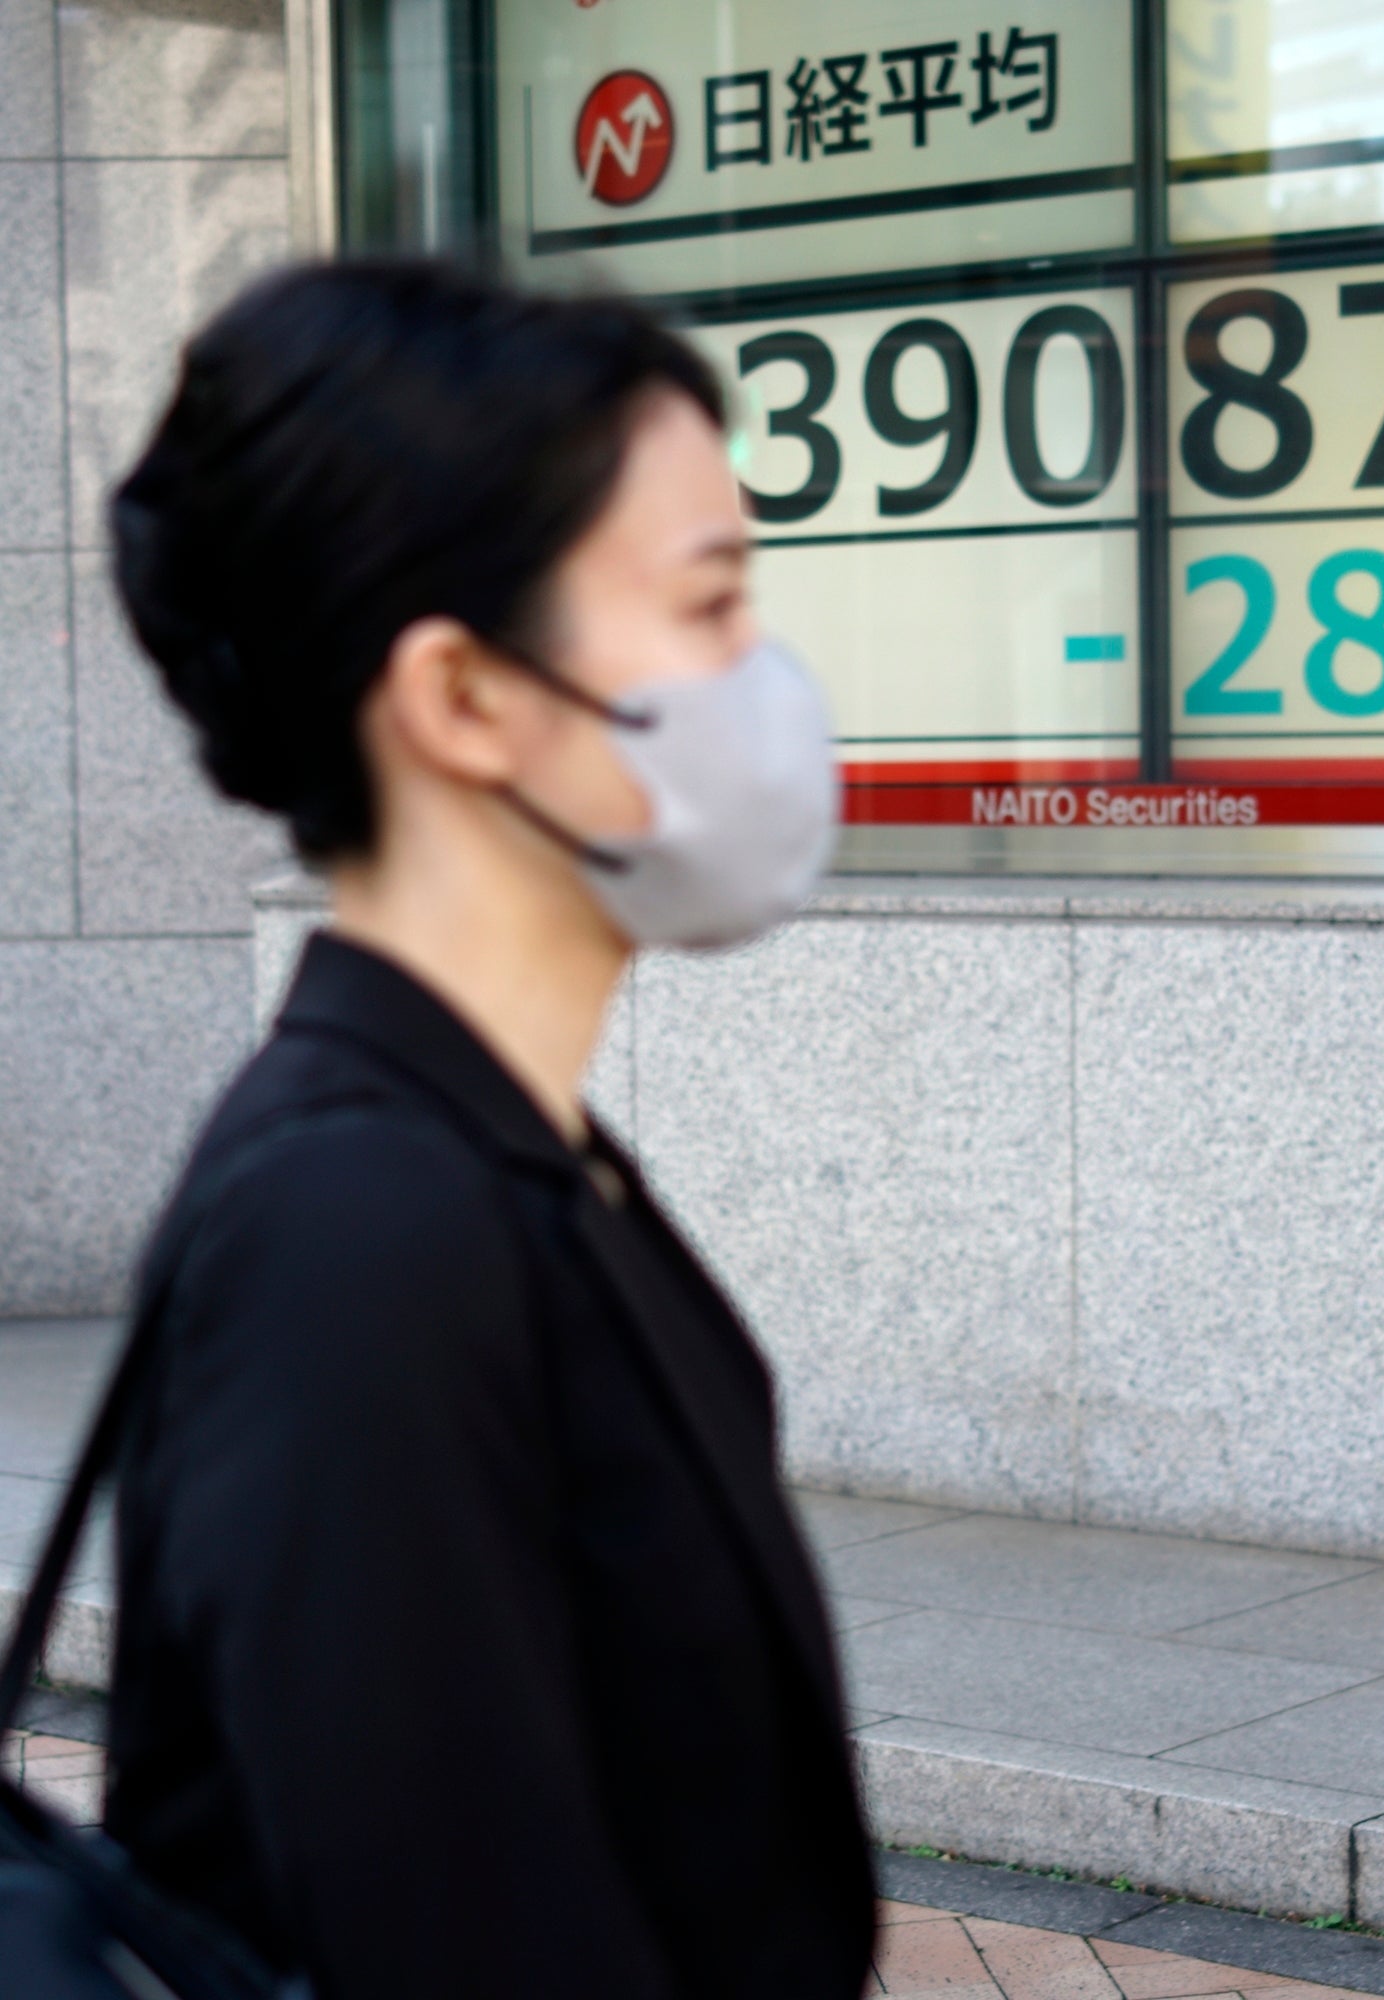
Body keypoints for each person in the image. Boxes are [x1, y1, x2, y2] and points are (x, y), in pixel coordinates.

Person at [96, 263, 870, 1999]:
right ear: (460, 700)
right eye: (711, 602)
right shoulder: (359, 1230)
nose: (767, 681)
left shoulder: (497, 1150)